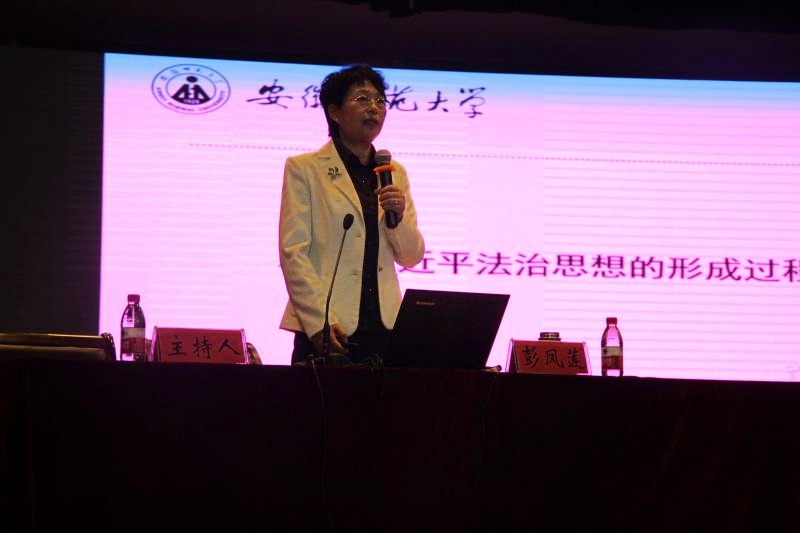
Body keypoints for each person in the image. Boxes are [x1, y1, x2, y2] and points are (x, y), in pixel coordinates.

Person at [278, 64, 425, 364]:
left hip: (384, 328)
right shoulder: (305, 169)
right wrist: (319, 322)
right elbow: (293, 252)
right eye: (362, 99)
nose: (374, 108)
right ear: (334, 112)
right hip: (328, 328)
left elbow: (410, 257)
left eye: (380, 101)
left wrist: (398, 217)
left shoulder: (393, 172)